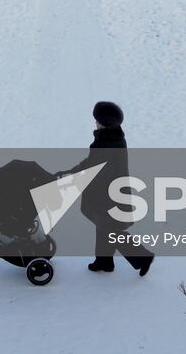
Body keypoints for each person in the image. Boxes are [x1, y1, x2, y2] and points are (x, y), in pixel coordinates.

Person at [58, 101, 154, 276]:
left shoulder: (107, 143)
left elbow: (95, 167)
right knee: (103, 225)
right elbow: (92, 163)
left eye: (97, 120)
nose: (95, 123)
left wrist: (76, 177)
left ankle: (142, 257)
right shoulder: (112, 138)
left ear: (104, 123)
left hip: (108, 193)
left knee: (110, 229)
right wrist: (72, 172)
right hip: (109, 191)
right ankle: (104, 261)